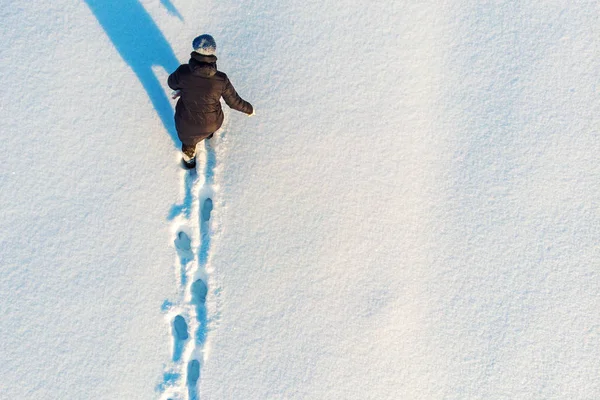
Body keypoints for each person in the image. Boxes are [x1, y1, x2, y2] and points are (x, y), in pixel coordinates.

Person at [168, 34, 254, 168]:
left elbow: (171, 84)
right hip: (212, 123)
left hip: (187, 125)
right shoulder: (221, 79)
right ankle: (208, 135)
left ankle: (189, 158)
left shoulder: (183, 72)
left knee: (188, 141)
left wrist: (183, 87)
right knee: (209, 123)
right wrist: (249, 109)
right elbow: (234, 102)